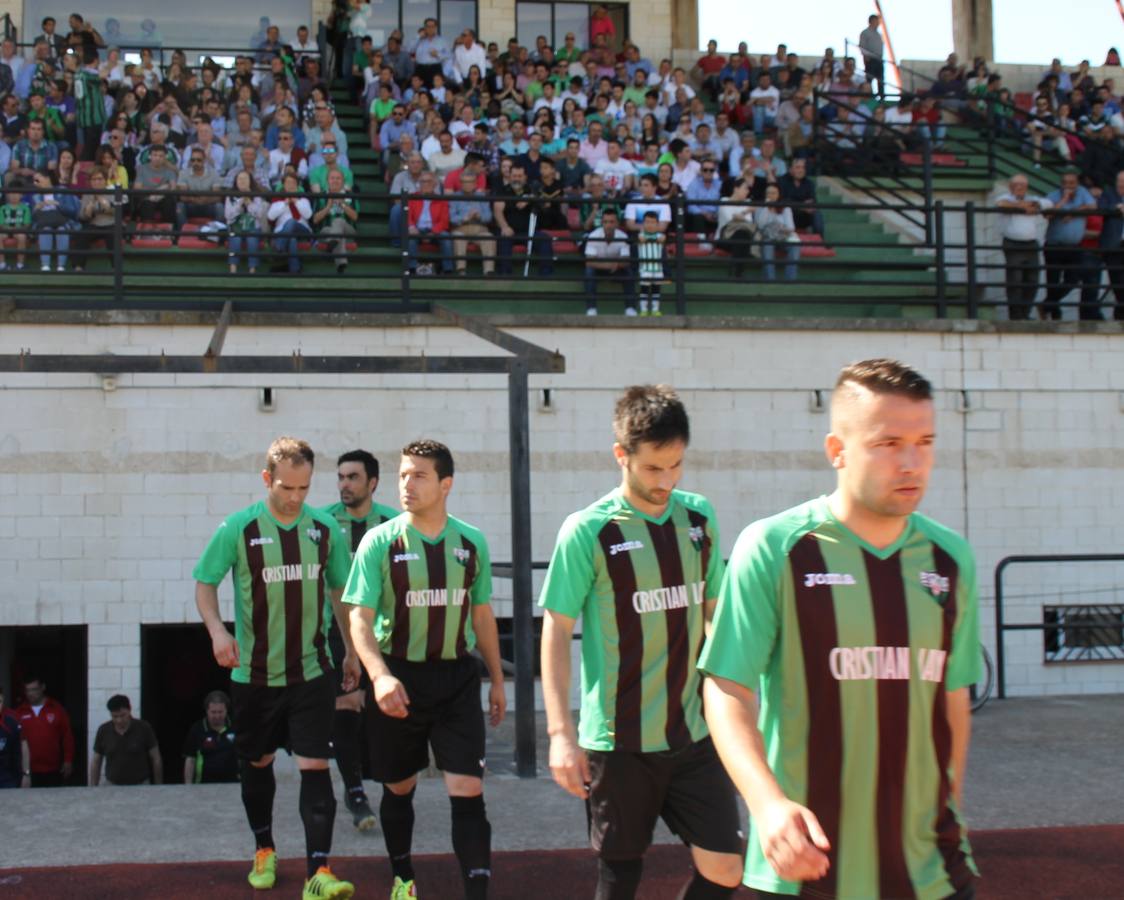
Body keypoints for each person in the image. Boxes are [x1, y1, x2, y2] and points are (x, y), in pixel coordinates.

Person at [700, 358, 981, 900]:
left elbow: (953, 696)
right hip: (800, 871)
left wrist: (949, 806)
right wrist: (767, 805)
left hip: (931, 872)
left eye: (925, 441)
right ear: (838, 451)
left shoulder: (951, 559)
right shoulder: (776, 548)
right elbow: (726, 687)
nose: (912, 462)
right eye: (888, 443)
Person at [539, 384, 743, 900]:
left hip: (695, 736)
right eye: (654, 468)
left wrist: (741, 702)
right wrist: (561, 733)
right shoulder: (588, 530)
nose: (667, 481)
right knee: (621, 876)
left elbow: (717, 617)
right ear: (621, 456)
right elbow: (556, 630)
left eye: (676, 465)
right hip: (619, 743)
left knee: (728, 869)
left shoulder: (699, 518)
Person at [193, 436, 356, 899]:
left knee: (315, 765)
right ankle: (264, 847)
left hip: (311, 672)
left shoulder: (325, 529)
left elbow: (341, 594)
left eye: (304, 488)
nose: (295, 497)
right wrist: (218, 633)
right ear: (268, 479)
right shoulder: (239, 529)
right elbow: (205, 584)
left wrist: (350, 650)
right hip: (255, 676)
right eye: (287, 487)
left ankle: (319, 872)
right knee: (258, 762)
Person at [345, 439, 506, 900]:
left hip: (456, 680)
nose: (406, 484)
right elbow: (359, 617)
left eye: (418, 475)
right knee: (399, 788)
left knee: (467, 788)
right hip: (399, 678)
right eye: (402, 475)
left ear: (446, 484)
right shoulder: (380, 541)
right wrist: (379, 676)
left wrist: (497, 679)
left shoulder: (470, 542)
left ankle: (477, 890)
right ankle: (403, 879)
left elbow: (481, 615)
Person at [318, 449, 400, 830]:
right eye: (340, 477)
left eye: (352, 477)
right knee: (346, 706)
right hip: (334, 631)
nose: (344, 484)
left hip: (383, 631)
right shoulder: (321, 523)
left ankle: (391, 784)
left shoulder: (394, 524)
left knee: (384, 709)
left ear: (372, 483)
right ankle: (354, 792)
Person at [1043, 170, 1099, 320]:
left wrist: (1073, 211)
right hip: (1054, 245)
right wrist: (1064, 200)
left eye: (1072, 184)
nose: (1069, 186)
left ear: (1077, 183)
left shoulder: (1082, 192)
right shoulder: (1054, 195)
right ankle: (1054, 312)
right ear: (1061, 184)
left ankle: (1048, 304)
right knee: (1053, 280)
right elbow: (1048, 214)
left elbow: (1092, 206)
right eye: (1065, 183)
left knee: (1073, 279)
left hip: (1074, 246)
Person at [995, 174, 1052, 321]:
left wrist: (1030, 205)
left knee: (1032, 280)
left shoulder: (1033, 199)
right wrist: (1022, 206)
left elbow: (1048, 203)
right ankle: (1016, 316)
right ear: (1010, 186)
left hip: (1030, 244)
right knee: (1015, 280)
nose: (1019, 188)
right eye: (1016, 185)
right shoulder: (1005, 197)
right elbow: (1001, 204)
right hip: (1013, 243)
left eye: (1022, 185)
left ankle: (1025, 313)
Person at [13, 675, 74, 786]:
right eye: (27, 690)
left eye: (34, 689)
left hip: (53, 769)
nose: (30, 693)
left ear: (42, 688)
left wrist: (68, 760)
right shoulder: (19, 712)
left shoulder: (56, 709)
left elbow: (67, 736)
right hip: (28, 771)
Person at [90, 695, 162, 786]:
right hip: (112, 784)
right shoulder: (103, 730)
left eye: (123, 715)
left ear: (130, 710)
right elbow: (96, 761)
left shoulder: (144, 728)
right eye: (115, 716)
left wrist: (158, 786)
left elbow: (156, 758)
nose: (119, 720)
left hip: (141, 784)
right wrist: (92, 788)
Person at [583, 207, 633, 315]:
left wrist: (618, 265)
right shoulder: (593, 236)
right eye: (605, 222)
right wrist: (610, 265)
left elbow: (626, 260)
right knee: (589, 271)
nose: (608, 225)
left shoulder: (623, 236)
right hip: (600, 269)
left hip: (616, 269)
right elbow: (589, 262)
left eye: (611, 222)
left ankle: (630, 308)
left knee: (628, 271)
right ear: (602, 223)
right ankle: (591, 309)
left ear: (617, 224)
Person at [183, 690, 239, 784]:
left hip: (232, 784)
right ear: (207, 711)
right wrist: (187, 786)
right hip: (203, 785)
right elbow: (190, 759)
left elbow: (245, 756)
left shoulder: (236, 727)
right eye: (213, 712)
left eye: (220, 712)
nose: (217, 716)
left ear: (226, 711)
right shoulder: (197, 729)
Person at [312, 168, 359, 274]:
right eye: (332, 178)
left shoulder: (350, 195)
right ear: (327, 181)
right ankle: (341, 263)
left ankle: (332, 244)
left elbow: (355, 217)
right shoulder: (321, 196)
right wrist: (328, 207)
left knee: (339, 221)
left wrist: (342, 203)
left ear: (343, 181)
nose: (335, 181)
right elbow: (315, 220)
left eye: (338, 178)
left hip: (349, 231)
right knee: (338, 235)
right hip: (326, 232)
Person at [450, 169, 496, 275]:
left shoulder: (481, 197)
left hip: (479, 228)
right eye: (465, 182)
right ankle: (461, 270)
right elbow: (452, 218)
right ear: (461, 184)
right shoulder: (454, 197)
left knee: (489, 237)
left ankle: (489, 271)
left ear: (475, 183)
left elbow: (489, 217)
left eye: (470, 182)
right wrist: (464, 218)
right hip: (461, 228)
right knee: (458, 237)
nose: (467, 185)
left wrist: (480, 216)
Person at [267, 173, 314, 275]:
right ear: (283, 185)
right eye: (288, 183)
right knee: (292, 239)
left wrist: (296, 201)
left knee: (292, 221)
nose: (291, 185)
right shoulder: (278, 200)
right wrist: (285, 203)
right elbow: (270, 216)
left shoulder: (303, 199)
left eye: (293, 183)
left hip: (302, 230)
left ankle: (279, 249)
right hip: (282, 232)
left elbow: (308, 215)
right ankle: (295, 271)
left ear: (297, 186)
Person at [226, 170, 267, 274]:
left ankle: (252, 269)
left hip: (253, 227)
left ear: (250, 182)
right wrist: (239, 203)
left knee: (252, 239)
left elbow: (260, 215)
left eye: (245, 179)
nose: (242, 181)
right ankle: (233, 268)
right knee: (235, 238)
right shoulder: (230, 196)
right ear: (236, 181)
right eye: (239, 179)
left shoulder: (257, 196)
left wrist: (249, 203)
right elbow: (228, 216)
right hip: (236, 227)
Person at [1097, 169, 1124, 321]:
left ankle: (1120, 312)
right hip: (1114, 245)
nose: (1122, 185)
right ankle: (1120, 311)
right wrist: (1118, 208)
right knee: (1116, 280)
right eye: (1120, 182)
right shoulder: (1108, 193)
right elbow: (1101, 207)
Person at [0, 684, 31, 788]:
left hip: (7, 779)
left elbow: (24, 746)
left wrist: (26, 774)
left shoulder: (12, 719)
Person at [636, 210, 666, 316]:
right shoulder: (641, 235)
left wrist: (660, 238)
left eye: (653, 222)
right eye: (647, 222)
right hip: (645, 268)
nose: (650, 225)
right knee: (644, 289)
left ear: (657, 224)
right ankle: (643, 309)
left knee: (656, 290)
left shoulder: (660, 236)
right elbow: (641, 239)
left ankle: (655, 309)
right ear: (643, 224)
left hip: (657, 268)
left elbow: (662, 238)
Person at [0, 188, 31, 270]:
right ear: (7, 195)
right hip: (6, 230)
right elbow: (1, 224)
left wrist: (17, 229)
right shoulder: (3, 208)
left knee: (22, 236)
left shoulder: (25, 208)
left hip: (19, 231)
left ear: (21, 195)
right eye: (11, 194)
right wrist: (9, 228)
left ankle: (20, 264)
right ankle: (2, 264)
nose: (14, 196)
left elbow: (27, 224)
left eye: (16, 194)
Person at [858, 14, 884, 98]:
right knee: (869, 79)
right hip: (870, 59)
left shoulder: (878, 34)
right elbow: (862, 46)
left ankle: (881, 97)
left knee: (880, 80)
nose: (878, 23)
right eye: (876, 21)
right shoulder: (865, 32)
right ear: (871, 21)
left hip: (879, 59)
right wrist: (865, 56)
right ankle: (868, 96)